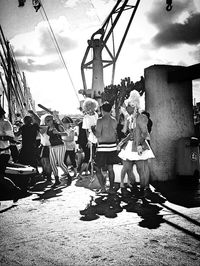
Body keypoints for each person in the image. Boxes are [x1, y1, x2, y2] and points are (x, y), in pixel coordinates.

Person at [118, 90, 155, 199]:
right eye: (128, 105)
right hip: (130, 145)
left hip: (139, 145)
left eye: (130, 105)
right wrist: (122, 142)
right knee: (127, 167)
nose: (128, 107)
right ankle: (135, 187)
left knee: (141, 169)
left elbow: (145, 134)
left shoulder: (142, 117)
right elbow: (128, 133)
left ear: (135, 106)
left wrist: (140, 145)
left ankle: (143, 190)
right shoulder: (130, 118)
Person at [0, 106, 28, 202]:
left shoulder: (6, 123)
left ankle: (15, 190)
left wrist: (1, 138)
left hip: (3, 153)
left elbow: (11, 137)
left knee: (0, 177)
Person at [94, 102, 119, 194]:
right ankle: (111, 188)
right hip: (112, 146)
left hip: (103, 147)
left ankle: (103, 188)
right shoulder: (114, 120)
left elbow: (98, 135)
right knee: (110, 168)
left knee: (97, 168)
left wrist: (93, 130)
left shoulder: (100, 120)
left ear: (102, 110)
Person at [46, 114, 71, 188]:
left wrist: (58, 133)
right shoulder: (48, 128)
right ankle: (57, 180)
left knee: (60, 163)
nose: (47, 122)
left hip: (60, 145)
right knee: (52, 163)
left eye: (48, 120)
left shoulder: (57, 126)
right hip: (52, 146)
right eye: (46, 121)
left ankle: (68, 175)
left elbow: (66, 133)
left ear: (52, 120)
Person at [39, 114, 52, 182]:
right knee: (44, 162)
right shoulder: (44, 127)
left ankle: (49, 177)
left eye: (50, 120)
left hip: (49, 147)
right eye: (47, 120)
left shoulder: (49, 128)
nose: (49, 121)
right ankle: (47, 175)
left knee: (47, 163)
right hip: (44, 146)